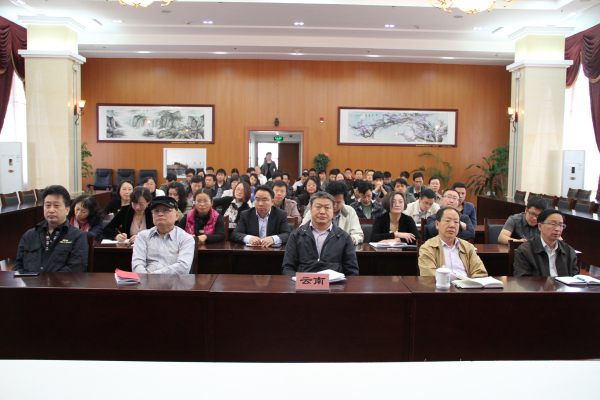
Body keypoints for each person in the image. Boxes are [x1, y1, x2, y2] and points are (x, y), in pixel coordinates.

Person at [13, 185, 88, 273]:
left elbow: (76, 268)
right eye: (47, 205)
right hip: (30, 281)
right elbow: (17, 266)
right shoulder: (29, 235)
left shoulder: (77, 236)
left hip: (61, 282)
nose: (51, 210)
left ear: (67, 210)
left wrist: (47, 280)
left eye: (56, 206)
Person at [282, 192, 359, 276]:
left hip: (334, 283)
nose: (322, 212)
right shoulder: (296, 235)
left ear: (333, 210)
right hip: (304, 282)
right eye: (318, 207)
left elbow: (352, 271)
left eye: (327, 208)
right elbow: (288, 268)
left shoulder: (344, 237)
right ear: (311, 209)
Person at [132, 196, 195, 274]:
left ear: (177, 215)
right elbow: (137, 264)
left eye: (166, 210)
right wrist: (145, 277)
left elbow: (183, 267)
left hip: (173, 281)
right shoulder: (142, 236)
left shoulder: (185, 239)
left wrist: (153, 275)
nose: (160, 214)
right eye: (156, 211)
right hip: (145, 280)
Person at [419, 207, 488, 278]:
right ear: (437, 224)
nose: (452, 225)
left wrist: (470, 282)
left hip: (467, 284)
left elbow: (480, 272)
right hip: (442, 284)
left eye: (456, 222)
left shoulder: (468, 247)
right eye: (448, 221)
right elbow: (429, 275)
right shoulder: (428, 248)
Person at [513, 209, 579, 277]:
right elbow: (523, 279)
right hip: (538, 284)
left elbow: (575, 278)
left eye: (561, 225)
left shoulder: (569, 251)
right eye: (553, 224)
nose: (558, 229)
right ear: (540, 226)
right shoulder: (525, 251)